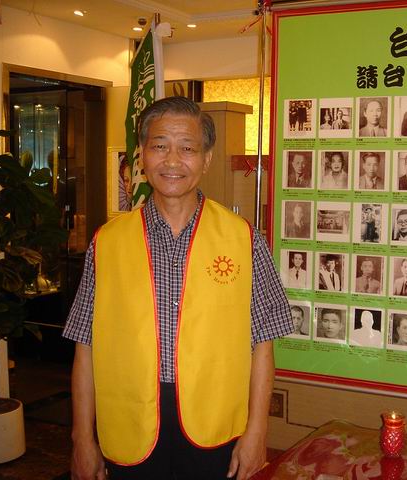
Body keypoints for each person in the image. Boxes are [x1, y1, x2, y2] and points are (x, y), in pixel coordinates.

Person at [63, 96, 293, 480]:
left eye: (187, 148)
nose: (172, 161)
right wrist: (81, 438)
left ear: (206, 159)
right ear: (141, 155)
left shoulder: (242, 238)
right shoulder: (107, 242)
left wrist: (258, 431)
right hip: (129, 420)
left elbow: (263, 345)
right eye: (160, 146)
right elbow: (85, 346)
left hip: (216, 426)